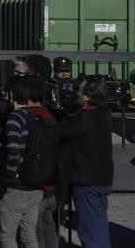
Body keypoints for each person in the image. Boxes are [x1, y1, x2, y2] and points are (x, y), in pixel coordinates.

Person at [0, 76, 57, 248]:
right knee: (29, 235)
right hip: (37, 185)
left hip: (18, 186)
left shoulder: (15, 118)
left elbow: (14, 151)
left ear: (12, 95)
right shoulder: (39, 117)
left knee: (7, 235)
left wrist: (10, 175)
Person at [59, 78, 113, 248]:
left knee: (91, 231)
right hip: (100, 178)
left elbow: (61, 129)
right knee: (98, 225)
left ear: (88, 96)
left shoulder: (84, 117)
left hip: (87, 180)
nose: (77, 93)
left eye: (80, 91)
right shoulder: (103, 113)